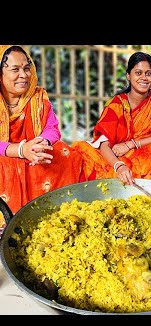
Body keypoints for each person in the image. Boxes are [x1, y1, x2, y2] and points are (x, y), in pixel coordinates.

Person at [71, 51, 151, 187]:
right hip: (114, 157)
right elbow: (104, 145)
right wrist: (119, 166)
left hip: (144, 154)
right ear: (128, 76)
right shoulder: (116, 104)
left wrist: (130, 144)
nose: (144, 78)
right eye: (138, 73)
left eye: (148, 73)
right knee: (80, 149)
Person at [0, 45, 83, 214]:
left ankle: (61, 212)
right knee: (9, 166)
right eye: (15, 69)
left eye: (27, 69)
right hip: (4, 155)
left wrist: (41, 143)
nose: (23, 75)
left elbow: (52, 128)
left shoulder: (38, 97)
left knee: (65, 154)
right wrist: (21, 150)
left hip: (35, 154)